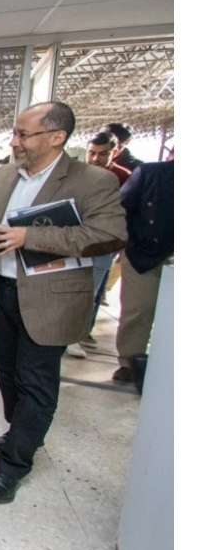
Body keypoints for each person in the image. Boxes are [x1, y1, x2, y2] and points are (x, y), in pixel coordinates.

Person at [0, 102, 126, 505]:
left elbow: (110, 234)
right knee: (5, 370)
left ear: (56, 138)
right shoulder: (4, 175)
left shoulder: (92, 180)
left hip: (51, 299)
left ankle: (15, 464)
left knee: (36, 382)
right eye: (14, 133)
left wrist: (29, 238)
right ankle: (20, 429)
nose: (14, 141)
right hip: (1, 288)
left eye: (23, 134)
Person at [112, 159, 174, 383]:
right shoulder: (149, 174)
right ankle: (130, 363)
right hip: (145, 253)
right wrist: (125, 241)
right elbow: (120, 208)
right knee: (138, 310)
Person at [73, 131, 133, 356]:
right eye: (92, 153)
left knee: (92, 291)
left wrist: (121, 244)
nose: (96, 159)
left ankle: (77, 335)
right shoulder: (74, 174)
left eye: (103, 154)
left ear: (114, 153)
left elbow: (128, 214)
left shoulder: (124, 177)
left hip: (102, 246)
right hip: (71, 242)